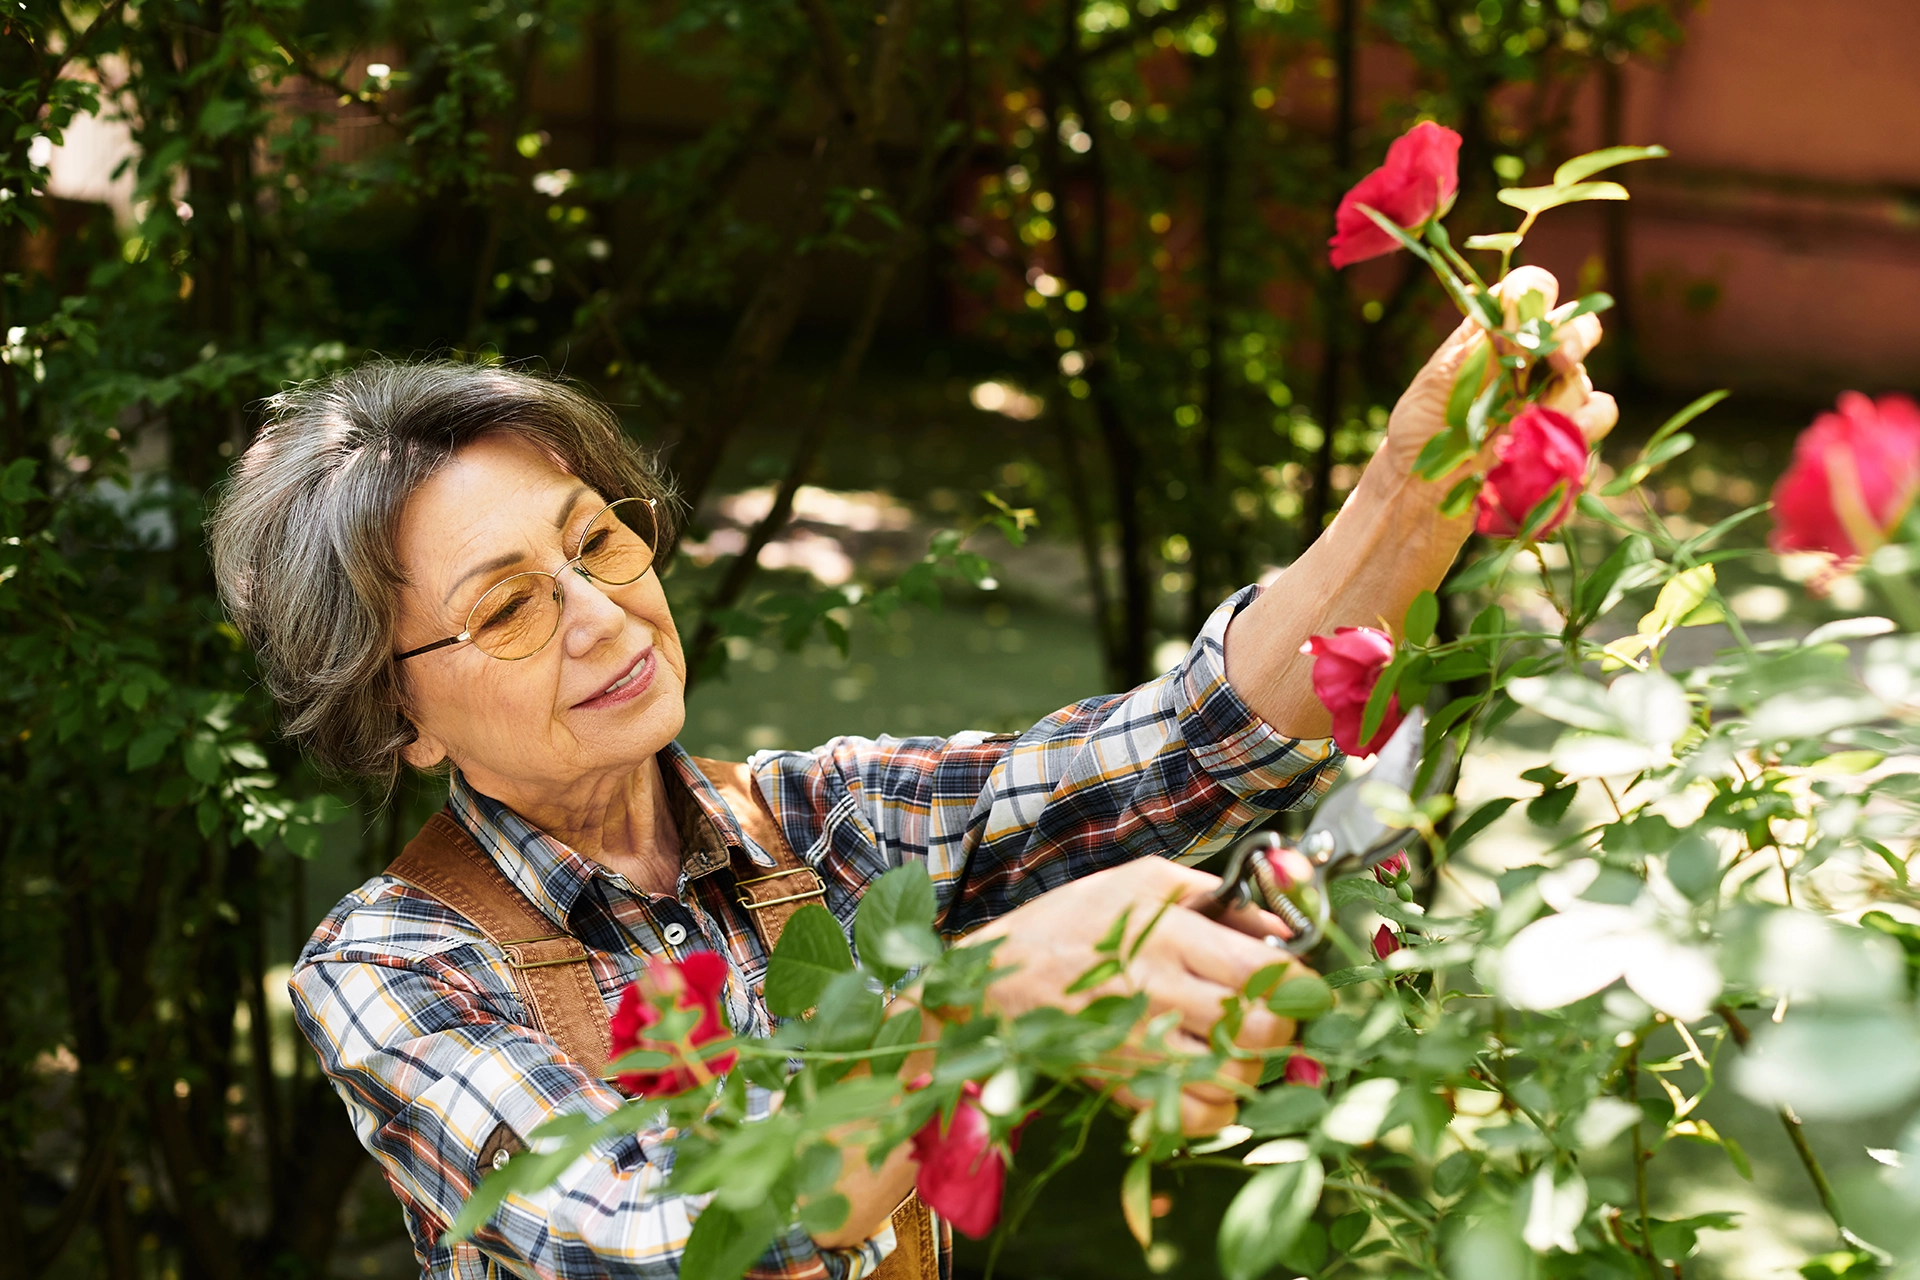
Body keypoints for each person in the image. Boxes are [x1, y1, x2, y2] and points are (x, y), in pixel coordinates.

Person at [207, 265, 1613, 1279]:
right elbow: (650, 1245)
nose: (603, 612)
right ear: (402, 720)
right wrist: (981, 992)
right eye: (511, 605)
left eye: (602, 540)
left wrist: (1417, 486)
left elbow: (1196, 745)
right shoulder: (391, 967)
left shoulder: (829, 822)